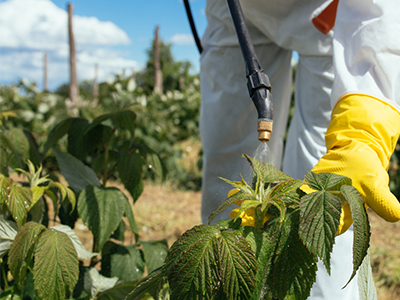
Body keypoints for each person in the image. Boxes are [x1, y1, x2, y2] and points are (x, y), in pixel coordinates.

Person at [199, 0, 400, 299]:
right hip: (237, 10)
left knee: (325, 191)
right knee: (228, 171)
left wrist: (363, 132)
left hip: (327, 14)